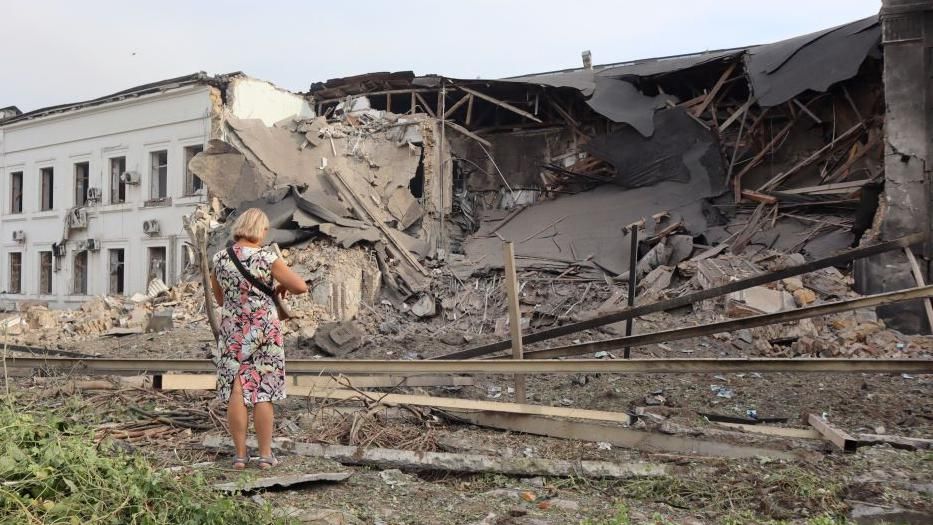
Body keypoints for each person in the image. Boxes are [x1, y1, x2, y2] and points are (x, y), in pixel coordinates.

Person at [210, 208, 308, 470]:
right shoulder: (266, 258)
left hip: (233, 330)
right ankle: (265, 456)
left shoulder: (220, 259)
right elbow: (301, 286)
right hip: (264, 328)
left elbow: (219, 299)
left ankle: (240, 456)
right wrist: (282, 285)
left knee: (237, 389)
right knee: (263, 390)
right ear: (260, 230)